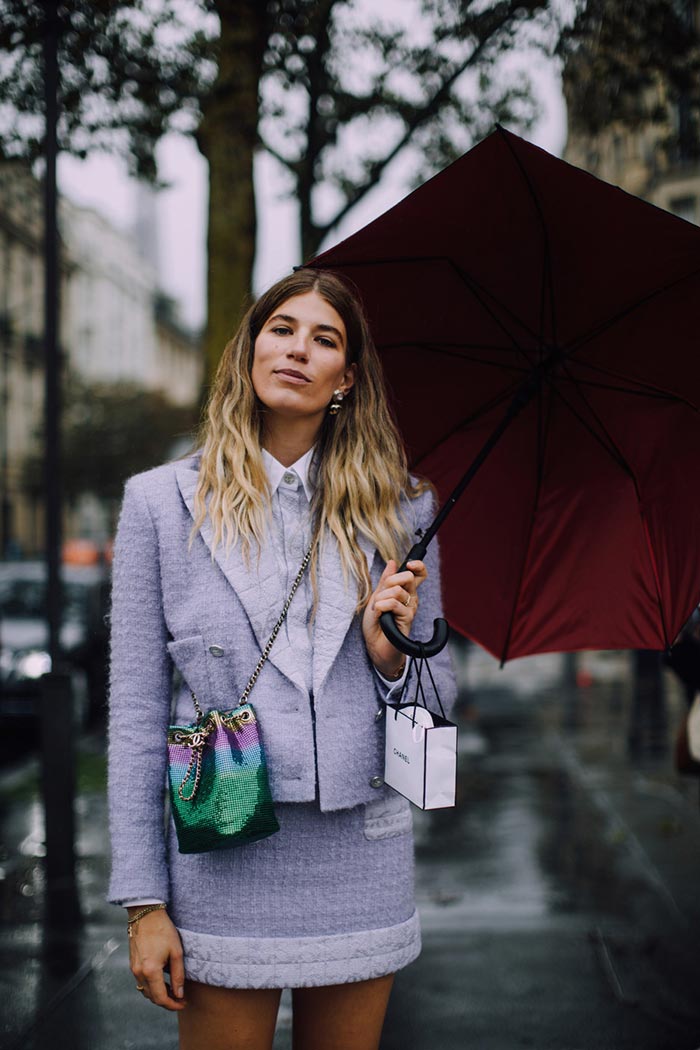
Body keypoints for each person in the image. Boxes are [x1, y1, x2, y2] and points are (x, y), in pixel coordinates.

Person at [108, 268, 456, 1050]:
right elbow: (134, 713)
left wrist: (388, 658)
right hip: (223, 855)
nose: (299, 349)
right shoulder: (162, 504)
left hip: (362, 850)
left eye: (324, 338)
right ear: (249, 351)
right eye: (281, 329)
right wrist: (142, 901)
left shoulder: (403, 510)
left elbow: (440, 694)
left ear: (347, 378)